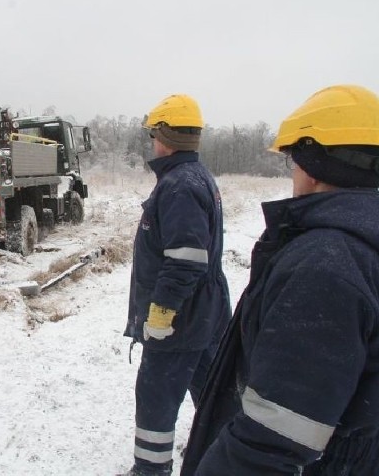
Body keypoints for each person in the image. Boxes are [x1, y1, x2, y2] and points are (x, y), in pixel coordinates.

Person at [181, 84, 379, 475]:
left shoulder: (325, 266)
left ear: (315, 163)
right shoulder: (361, 244)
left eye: (294, 160)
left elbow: (274, 437)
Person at [121, 94, 231, 476]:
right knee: (212, 390)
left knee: (156, 396)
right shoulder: (195, 177)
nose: (152, 141)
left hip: (181, 317)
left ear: (164, 135)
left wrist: (161, 312)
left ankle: (151, 469)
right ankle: (225, 455)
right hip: (204, 311)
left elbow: (185, 260)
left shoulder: (179, 185)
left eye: (154, 133)